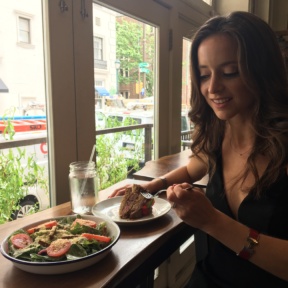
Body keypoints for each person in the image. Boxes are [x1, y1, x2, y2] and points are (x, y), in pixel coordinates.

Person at [110, 11, 288, 287]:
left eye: (230, 72)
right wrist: (152, 186)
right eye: (204, 75)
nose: (213, 87)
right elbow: (195, 167)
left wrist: (213, 222)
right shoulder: (218, 133)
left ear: (262, 71)